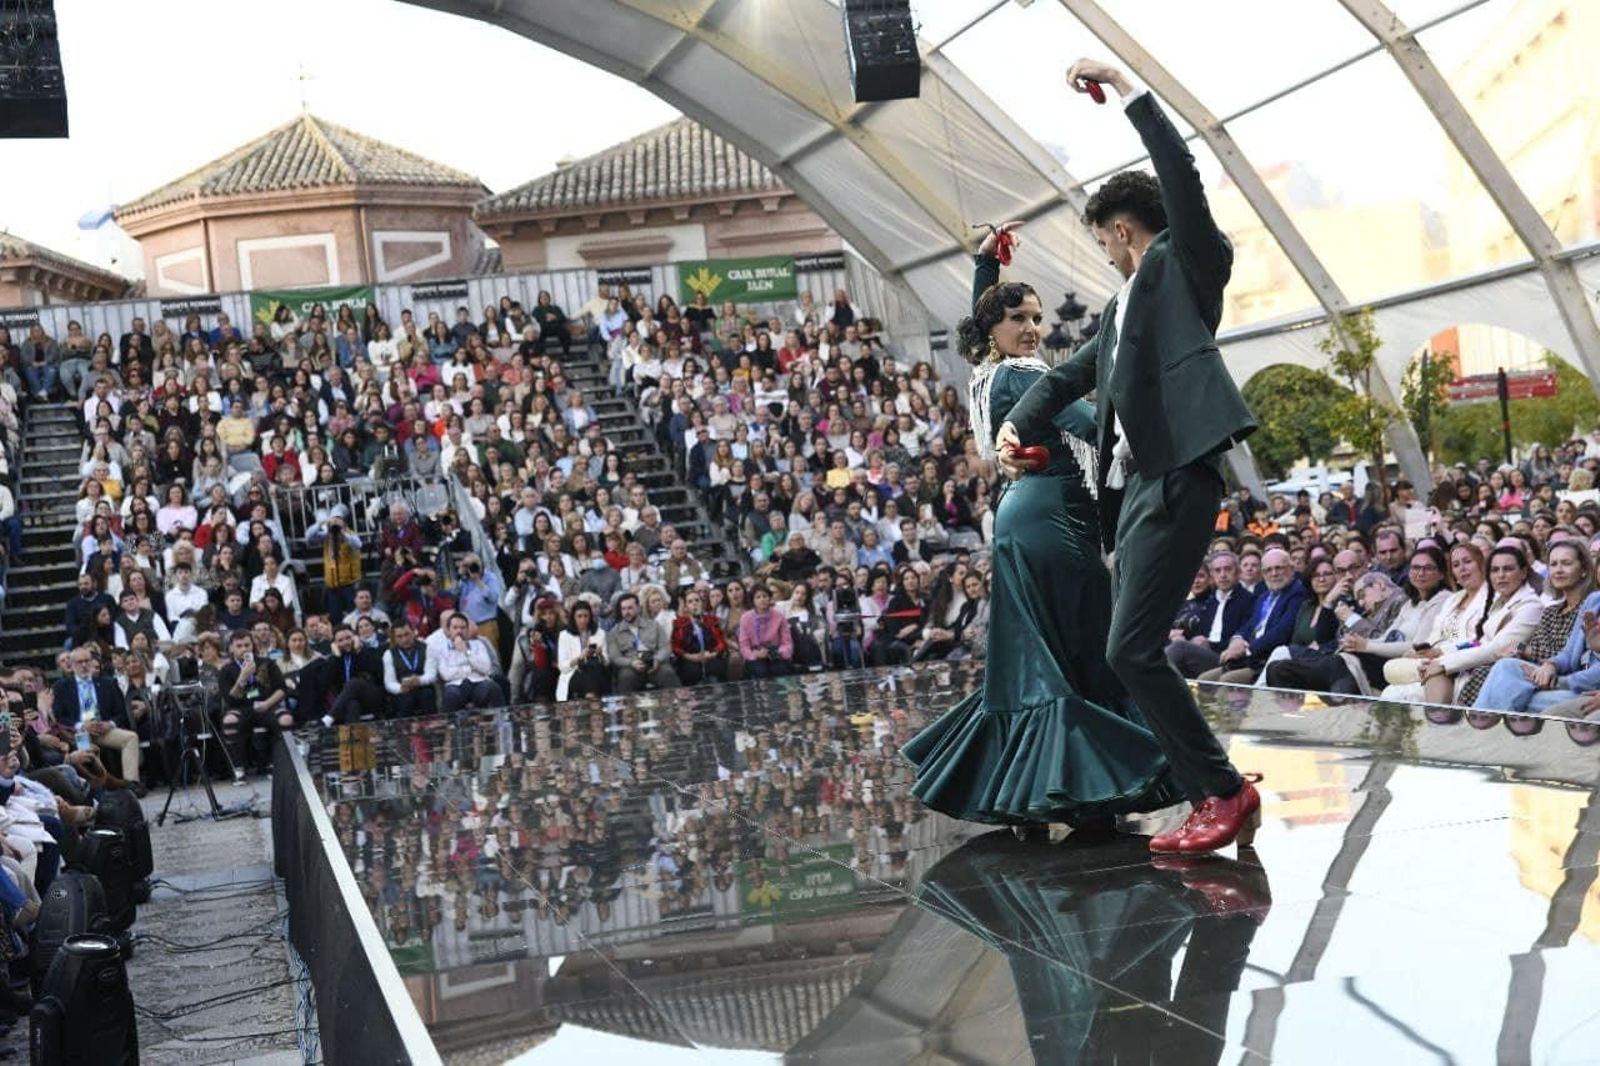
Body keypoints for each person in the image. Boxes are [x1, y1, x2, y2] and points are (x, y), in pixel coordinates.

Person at [995, 59, 1261, 855]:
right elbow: (1063, 380)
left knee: (1130, 648)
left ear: (1119, 231)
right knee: (1130, 647)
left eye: (1106, 242)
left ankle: (1221, 792)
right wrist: (1015, 434)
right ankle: (1214, 789)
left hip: (1180, 471)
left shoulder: (1187, 265)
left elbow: (1181, 178)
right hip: (1142, 486)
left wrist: (1127, 90)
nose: (1108, 256)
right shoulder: (1115, 314)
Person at [904, 231, 1182, 836]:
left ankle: (1035, 787)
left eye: (1037, 317)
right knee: (1087, 646)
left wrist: (985, 264)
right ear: (995, 330)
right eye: (1018, 318)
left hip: (1020, 517)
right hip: (1051, 516)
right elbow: (1087, 423)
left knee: (1036, 654)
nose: (1032, 328)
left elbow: (985, 320)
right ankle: (1088, 782)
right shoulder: (1023, 374)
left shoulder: (987, 372)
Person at [51, 647, 144, 796]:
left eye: (87, 661)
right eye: (80, 662)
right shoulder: (62, 687)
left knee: (130, 738)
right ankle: (100, 790)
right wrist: (81, 725)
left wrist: (110, 723)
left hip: (103, 729)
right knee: (86, 751)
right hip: (78, 732)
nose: (84, 665)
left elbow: (121, 713)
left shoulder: (108, 683)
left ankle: (132, 784)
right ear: (72, 665)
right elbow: (59, 716)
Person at [216, 630, 290, 777]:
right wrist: (243, 676)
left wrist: (267, 704)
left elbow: (281, 689)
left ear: (252, 645)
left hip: (267, 704)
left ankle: (281, 763)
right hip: (241, 708)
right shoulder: (226, 670)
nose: (244, 649)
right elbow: (230, 699)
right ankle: (238, 767)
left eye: (247, 645)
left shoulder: (266, 663)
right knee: (230, 721)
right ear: (231, 648)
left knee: (285, 719)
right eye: (239, 646)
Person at [606, 593, 679, 693]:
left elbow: (666, 647)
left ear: (638, 608)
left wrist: (657, 659)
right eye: (623, 609)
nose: (627, 612)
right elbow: (615, 657)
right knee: (626, 677)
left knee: (668, 673)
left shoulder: (654, 625)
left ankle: (678, 705)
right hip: (631, 665)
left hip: (654, 662)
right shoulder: (614, 632)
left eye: (630, 608)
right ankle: (627, 708)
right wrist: (631, 663)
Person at [436, 614, 500, 713]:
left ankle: (502, 723)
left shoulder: (478, 644)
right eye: (455, 628)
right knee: (450, 695)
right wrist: (471, 668)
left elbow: (486, 668)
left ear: (467, 630)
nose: (459, 631)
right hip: (455, 685)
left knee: (493, 688)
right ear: (448, 630)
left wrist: (466, 652)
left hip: (478, 682)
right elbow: (446, 674)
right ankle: (451, 726)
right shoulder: (441, 649)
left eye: (463, 628)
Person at [382, 622, 438, 718]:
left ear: (413, 632)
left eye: (407, 634)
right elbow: (389, 683)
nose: (405, 639)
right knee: (405, 699)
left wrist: (419, 680)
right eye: (399, 636)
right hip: (402, 690)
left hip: (423, 686)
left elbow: (432, 674)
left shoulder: (426, 647)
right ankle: (403, 731)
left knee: (427, 694)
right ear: (394, 639)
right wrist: (400, 688)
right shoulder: (389, 654)